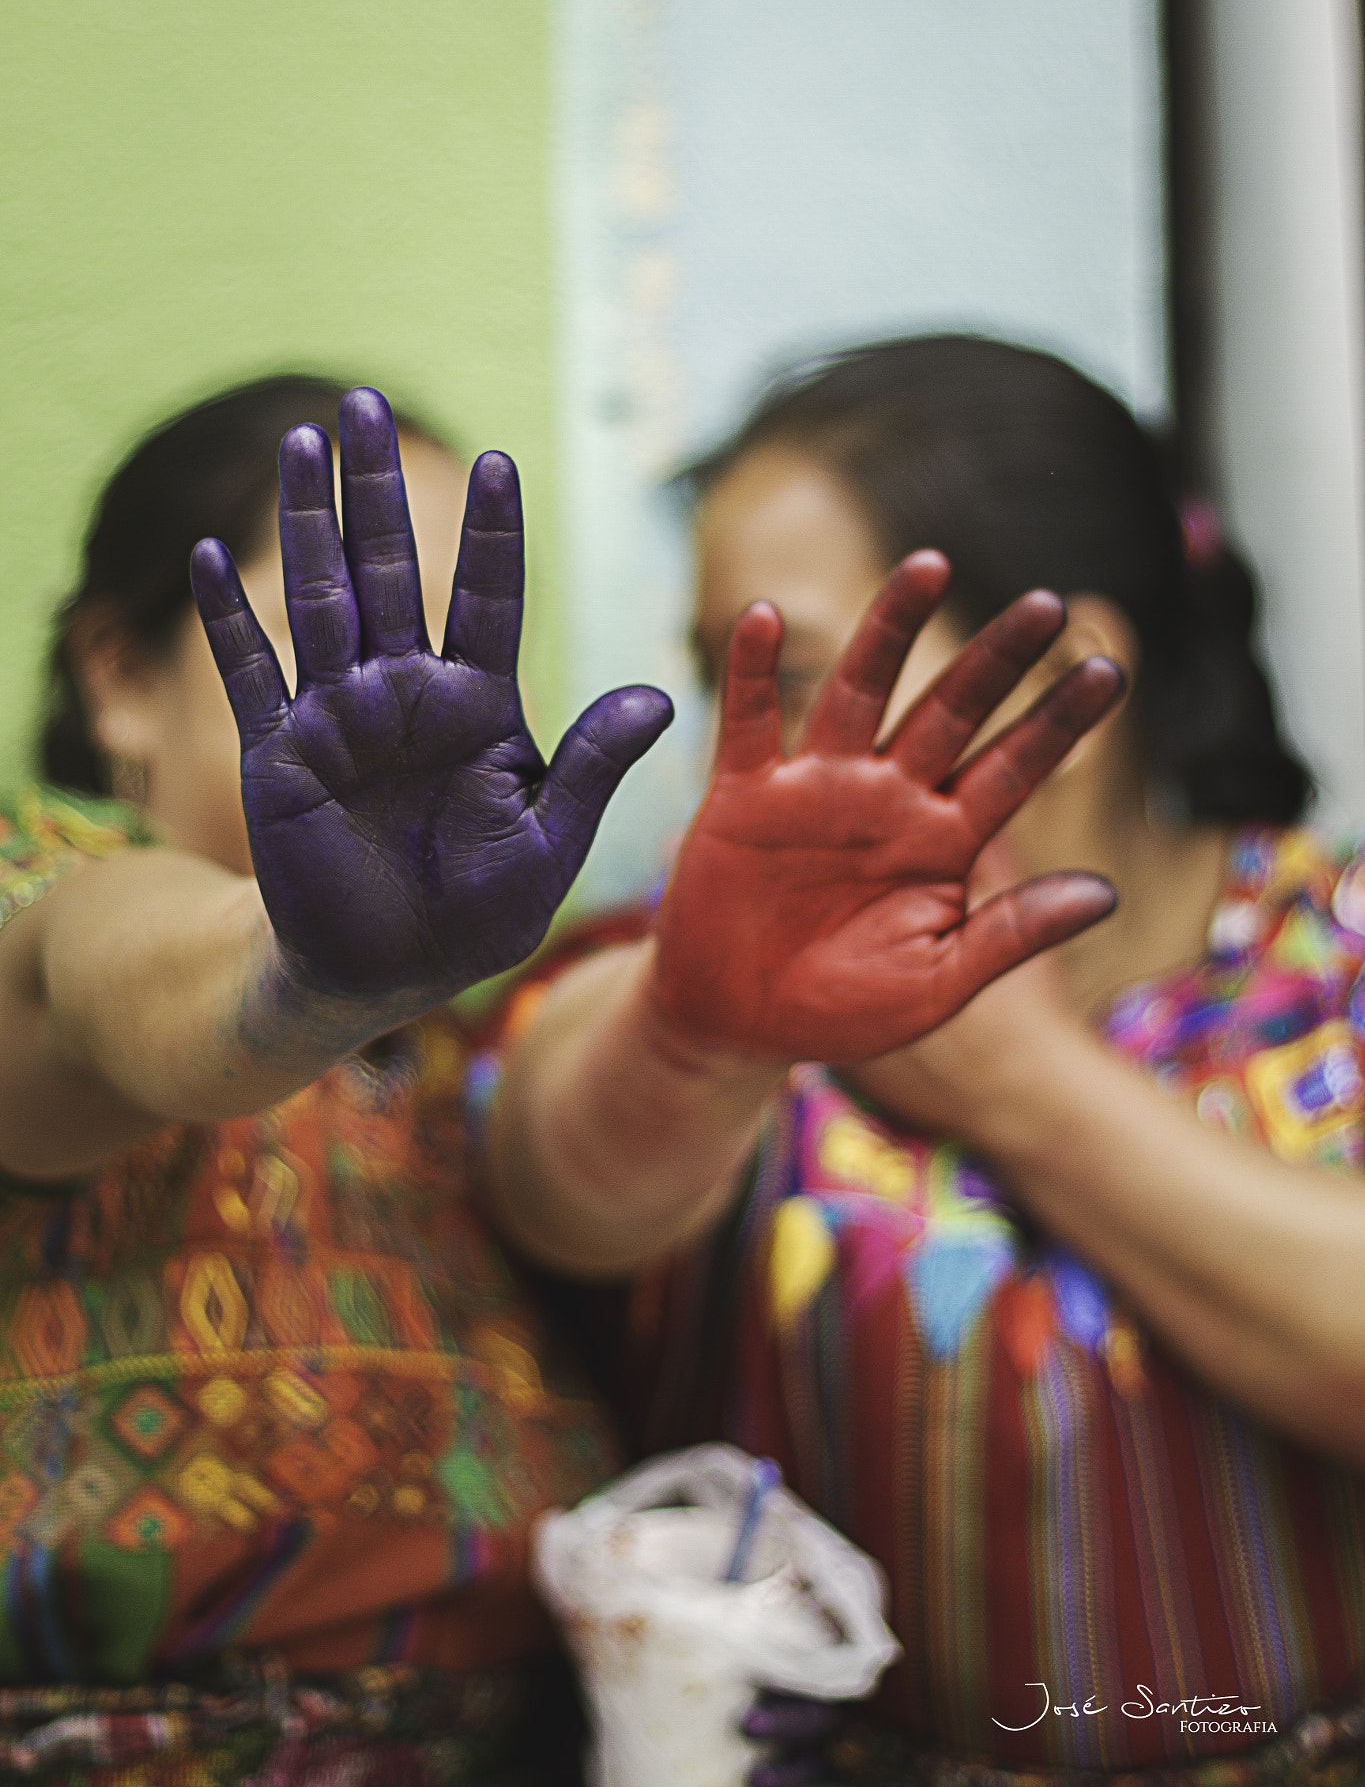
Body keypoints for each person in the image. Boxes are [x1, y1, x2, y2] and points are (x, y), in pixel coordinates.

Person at [0, 368, 1116, 1784]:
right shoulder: (49, 895)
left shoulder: (462, 1036)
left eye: (456, 650)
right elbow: (103, 981)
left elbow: (589, 1173)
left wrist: (707, 1031)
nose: (414, 696)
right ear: (118, 675)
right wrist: (304, 978)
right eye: (338, 639)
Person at [484, 337, 1365, 1783]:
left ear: (1066, 673)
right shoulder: (717, 988)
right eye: (724, 682)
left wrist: (1021, 1086)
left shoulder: (1323, 956)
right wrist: (707, 1019)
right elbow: (555, 1181)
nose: (737, 756)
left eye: (796, 675)